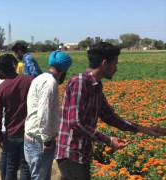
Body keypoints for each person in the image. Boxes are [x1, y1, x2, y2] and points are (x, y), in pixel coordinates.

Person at [55, 42, 166, 180]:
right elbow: (76, 123)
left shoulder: (96, 85)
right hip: (70, 152)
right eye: (115, 64)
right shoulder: (80, 82)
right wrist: (109, 140)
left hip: (81, 153)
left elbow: (110, 117)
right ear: (105, 63)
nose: (116, 68)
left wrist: (145, 129)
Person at [24, 51, 72, 180]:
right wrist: (47, 141)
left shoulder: (39, 78)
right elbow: (44, 113)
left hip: (32, 135)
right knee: (40, 176)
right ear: (64, 69)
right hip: (39, 140)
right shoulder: (50, 83)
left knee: (37, 175)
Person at [0, 54, 32, 180]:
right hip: (28, 132)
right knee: (25, 166)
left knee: (11, 165)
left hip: (11, 133)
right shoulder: (29, 80)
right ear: (13, 66)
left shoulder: (0, 89)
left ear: (1, 71)